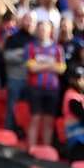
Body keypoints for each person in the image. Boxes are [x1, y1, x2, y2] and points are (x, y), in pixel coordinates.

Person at [25, 21, 64, 149]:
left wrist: (41, 64)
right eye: (40, 29)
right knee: (35, 118)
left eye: (45, 29)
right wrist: (50, 65)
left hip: (52, 89)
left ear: (50, 31)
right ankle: (31, 148)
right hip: (35, 88)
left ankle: (46, 150)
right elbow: (31, 67)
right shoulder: (30, 47)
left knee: (48, 120)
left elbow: (61, 68)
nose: (42, 31)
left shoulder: (57, 48)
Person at [61, 67, 84, 162]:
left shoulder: (79, 95)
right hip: (77, 141)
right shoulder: (72, 97)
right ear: (73, 81)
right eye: (80, 79)